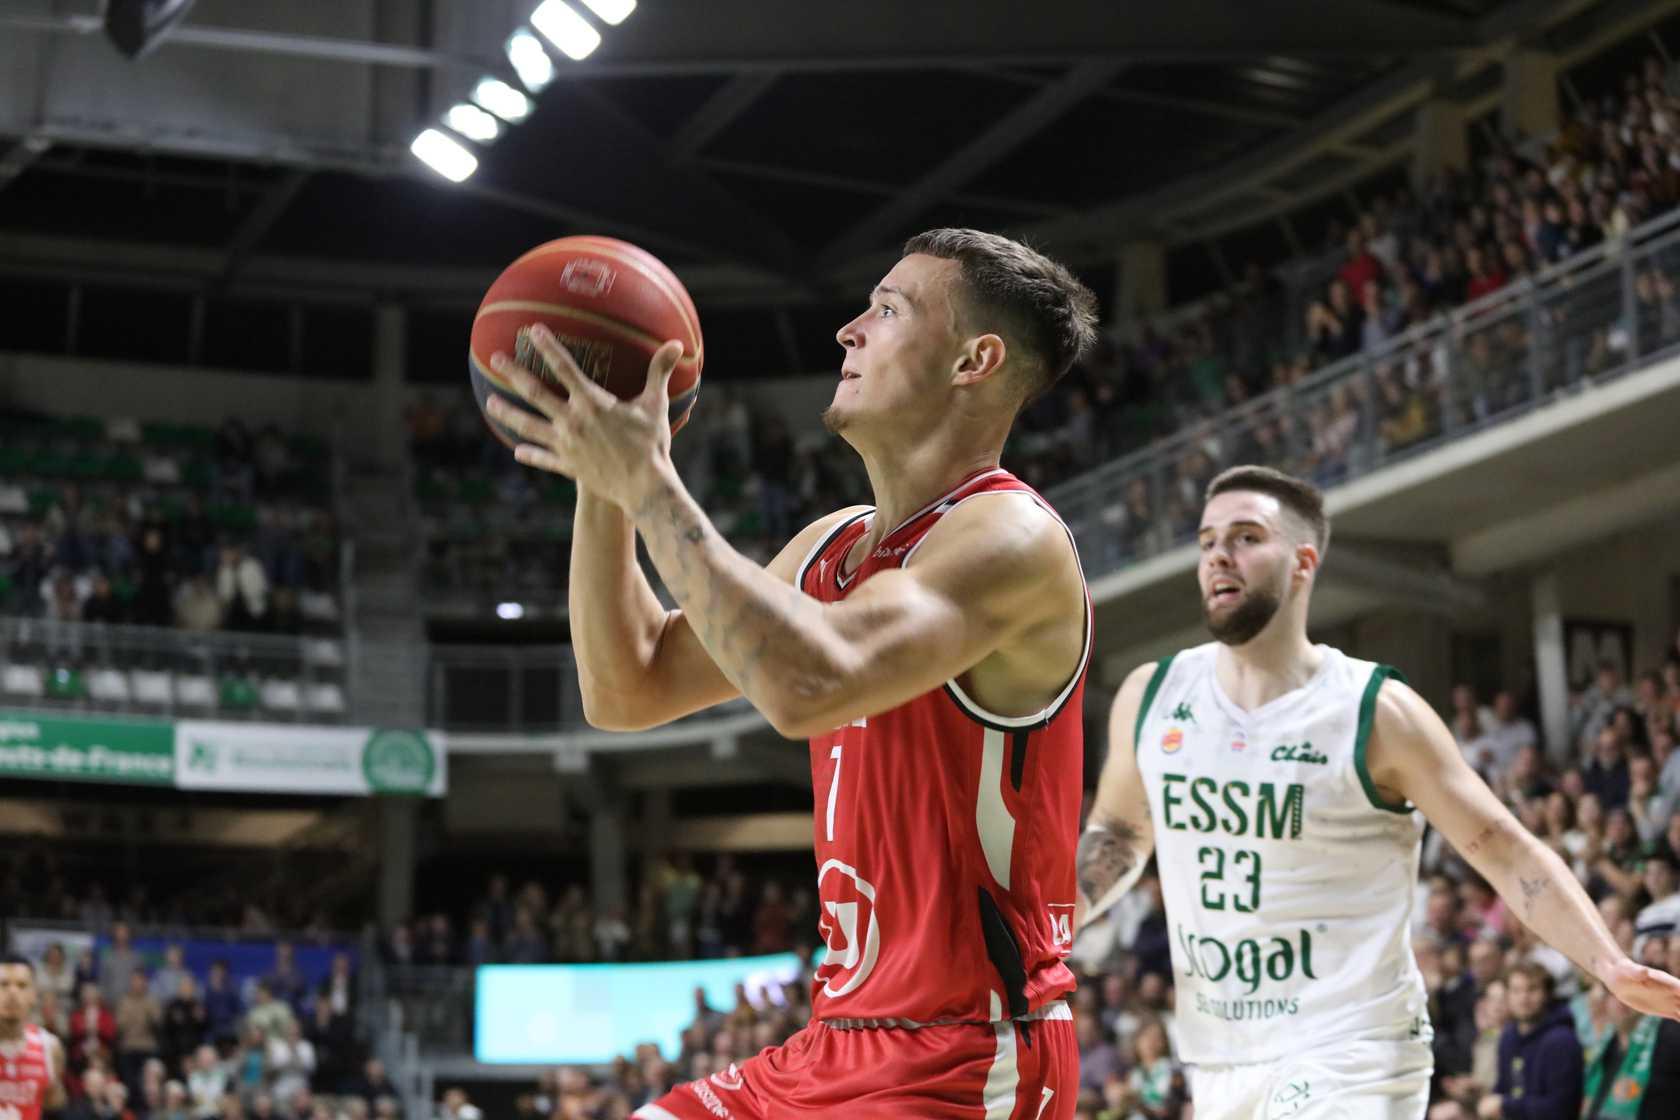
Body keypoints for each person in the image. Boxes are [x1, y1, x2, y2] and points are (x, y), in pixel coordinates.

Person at [489, 229, 1098, 1118]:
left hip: (969, 1056)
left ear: (977, 360)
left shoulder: (1013, 540)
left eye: (888, 309)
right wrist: (604, 479)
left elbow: (808, 684)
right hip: (832, 1041)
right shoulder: (830, 544)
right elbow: (628, 688)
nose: (849, 330)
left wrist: (652, 482)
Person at [1077, 466, 1680, 1119]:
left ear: (1303, 562)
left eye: (1247, 537)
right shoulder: (1152, 695)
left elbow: (1505, 849)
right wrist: (1046, 923)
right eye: (1206, 541)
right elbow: (1119, 832)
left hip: (1353, 1049)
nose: (1219, 555)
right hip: (1222, 1054)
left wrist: (1609, 964)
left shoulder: (1375, 710)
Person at [1482, 963, 1582, 1118]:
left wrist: (1505, 1105)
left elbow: (1561, 1109)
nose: (1524, 997)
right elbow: (1503, 1089)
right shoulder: (1508, 1036)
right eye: (1516, 991)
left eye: (1532, 989)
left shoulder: (1562, 1040)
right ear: (1507, 995)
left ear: (1547, 994)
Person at [0, 953, 68, 1119]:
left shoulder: (50, 1047)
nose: (12, 992)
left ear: (33, 995)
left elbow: (55, 1104)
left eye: (22, 985)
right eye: (3, 985)